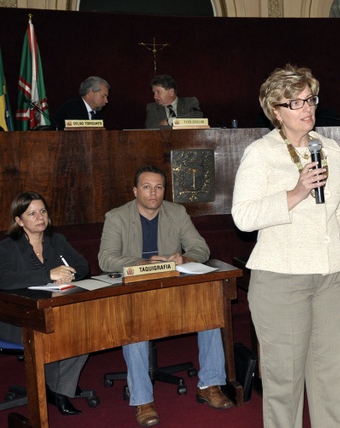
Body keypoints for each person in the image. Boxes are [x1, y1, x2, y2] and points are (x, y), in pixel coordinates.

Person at [231, 64, 340, 428]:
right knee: (284, 383)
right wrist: (297, 192)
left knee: (331, 379)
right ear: (276, 110)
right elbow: (243, 216)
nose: (306, 108)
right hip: (281, 278)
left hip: (332, 274)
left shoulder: (329, 148)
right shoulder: (260, 152)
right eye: (295, 102)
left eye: (310, 99)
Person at [98, 165, 233, 427]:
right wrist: (143, 262)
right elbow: (106, 258)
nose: (153, 193)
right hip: (135, 292)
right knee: (134, 328)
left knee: (210, 313)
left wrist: (185, 257)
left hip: (172, 291)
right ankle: (142, 400)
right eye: (147, 187)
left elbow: (200, 247)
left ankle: (210, 385)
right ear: (135, 190)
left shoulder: (177, 212)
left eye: (159, 187)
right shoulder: (116, 217)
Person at [0, 192, 90, 416]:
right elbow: (4, 279)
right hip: (18, 318)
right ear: (19, 221)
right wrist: (48, 274)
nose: (40, 217)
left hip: (55, 310)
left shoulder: (56, 241)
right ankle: (58, 392)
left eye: (43, 211)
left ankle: (58, 389)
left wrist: (71, 274)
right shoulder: (7, 247)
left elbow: (83, 265)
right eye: (32, 213)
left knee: (88, 331)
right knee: (52, 332)